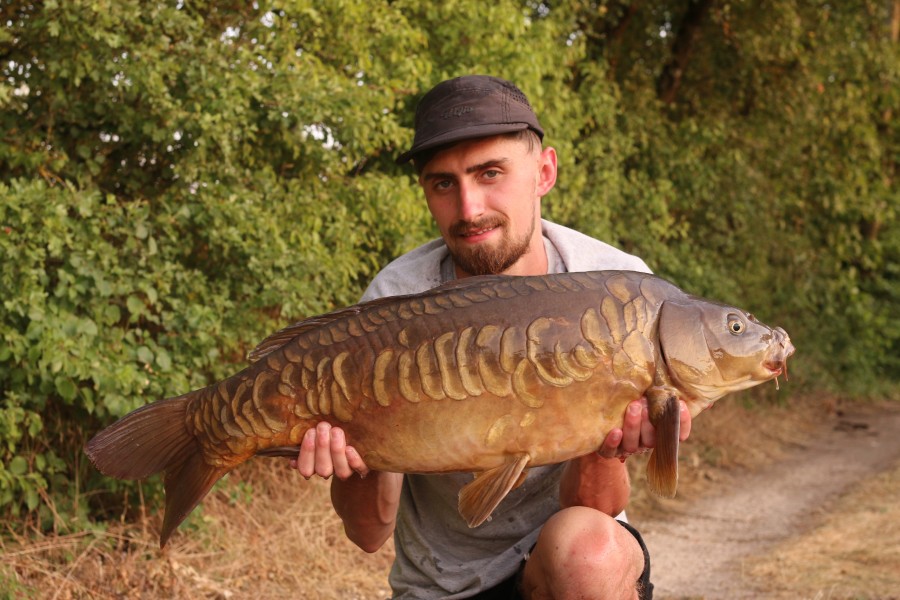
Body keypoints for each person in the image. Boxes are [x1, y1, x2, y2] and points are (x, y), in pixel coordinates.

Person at [291, 75, 693, 600]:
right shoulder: (396, 302)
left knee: (590, 557)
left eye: (490, 173)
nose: (469, 208)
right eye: (443, 183)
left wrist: (607, 436)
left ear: (544, 171)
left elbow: (593, 514)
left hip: (560, 563)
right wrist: (354, 457)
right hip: (438, 584)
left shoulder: (619, 290)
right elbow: (369, 534)